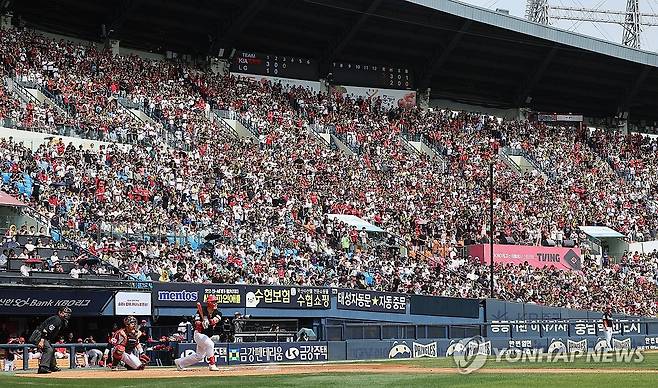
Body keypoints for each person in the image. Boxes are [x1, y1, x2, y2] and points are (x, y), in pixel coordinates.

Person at [174, 295, 221, 371]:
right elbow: (196, 322)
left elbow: (216, 320)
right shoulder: (201, 310)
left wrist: (209, 322)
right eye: (214, 302)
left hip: (207, 336)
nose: (216, 304)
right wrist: (201, 323)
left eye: (216, 302)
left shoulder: (218, 312)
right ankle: (212, 364)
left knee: (199, 356)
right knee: (210, 344)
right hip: (199, 334)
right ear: (209, 303)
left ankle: (180, 362)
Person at [29, 306, 71, 374]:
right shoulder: (56, 319)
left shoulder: (61, 321)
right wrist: (42, 341)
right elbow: (45, 330)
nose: (67, 315)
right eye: (65, 313)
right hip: (38, 336)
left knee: (52, 349)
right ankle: (43, 367)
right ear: (59, 313)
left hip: (43, 337)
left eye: (68, 313)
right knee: (48, 349)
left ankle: (52, 366)